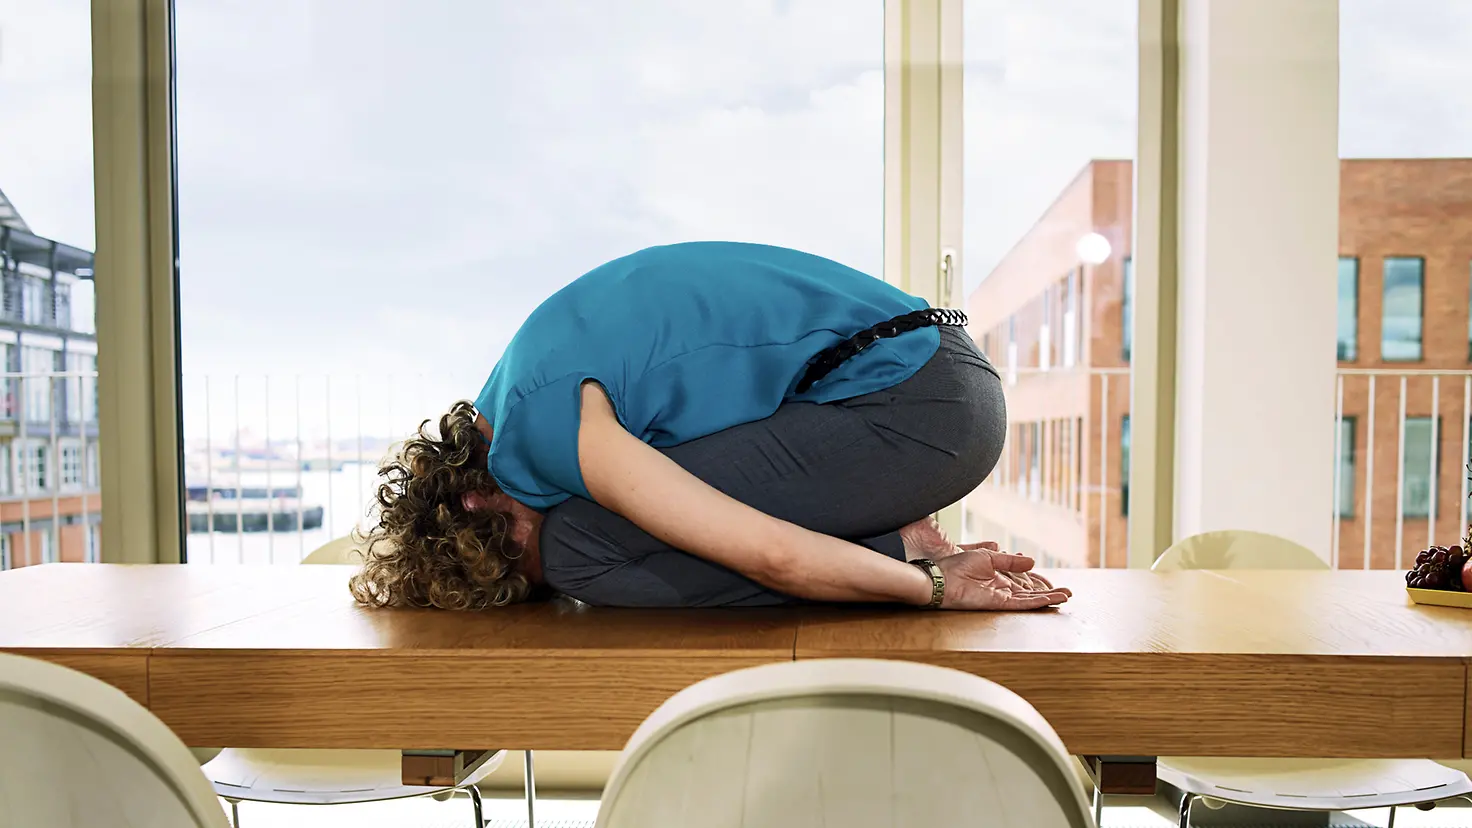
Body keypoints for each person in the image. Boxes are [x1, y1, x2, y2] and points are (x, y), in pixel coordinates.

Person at [349, 241, 1071, 611]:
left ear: (476, 501)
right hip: (931, 380)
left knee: (575, 548)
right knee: (616, 528)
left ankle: (895, 554)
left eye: (509, 562)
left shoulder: (549, 425)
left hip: (919, 410)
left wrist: (934, 589)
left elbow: (772, 556)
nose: (528, 580)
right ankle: (889, 545)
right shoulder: (522, 377)